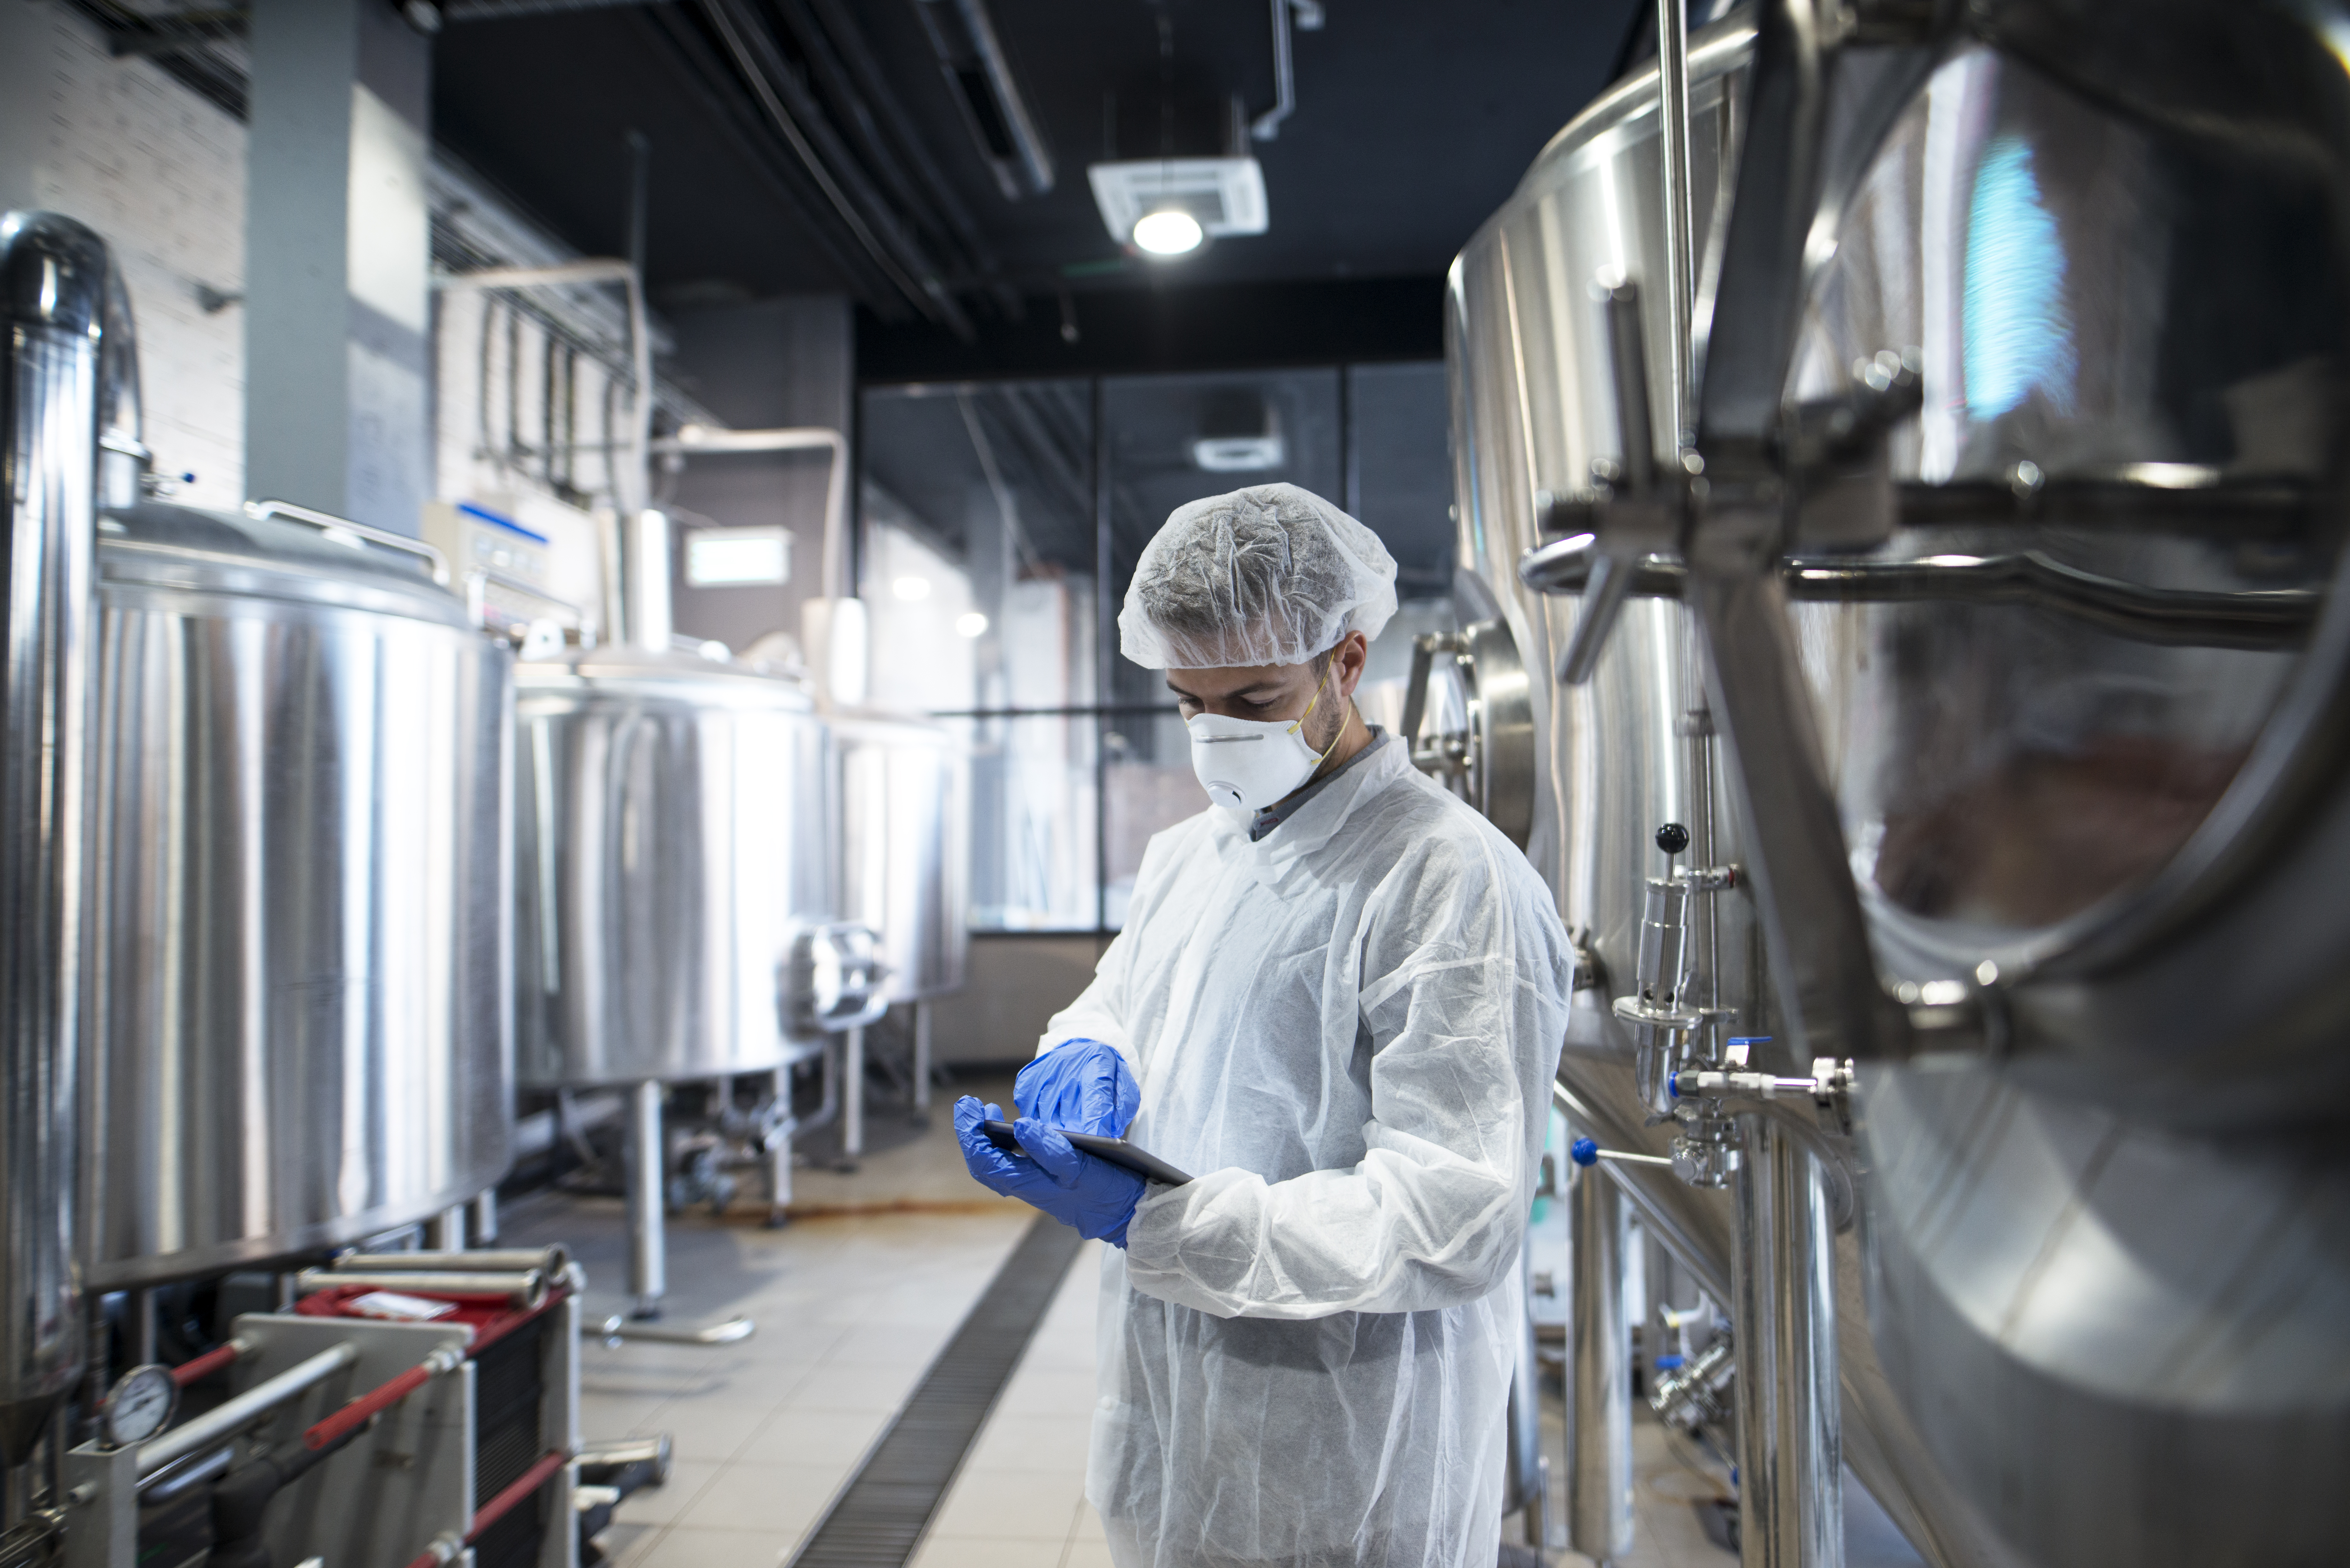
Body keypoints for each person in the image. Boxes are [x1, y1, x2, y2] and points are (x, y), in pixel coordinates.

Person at [956, 482, 1571, 1568]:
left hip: (1350, 1440)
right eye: (1189, 703)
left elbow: (1453, 1214)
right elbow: (1123, 994)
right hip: (1170, 1403)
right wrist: (1084, 1050)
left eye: (1253, 698)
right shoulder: (1193, 852)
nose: (1217, 736)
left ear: (1348, 659)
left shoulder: (1449, 878)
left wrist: (1166, 1224)